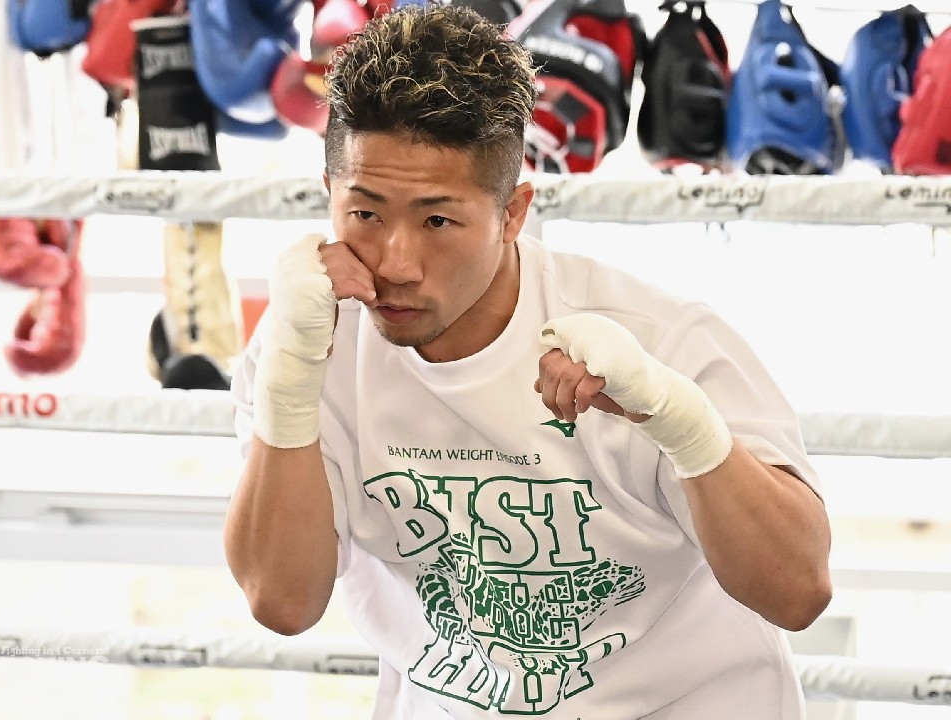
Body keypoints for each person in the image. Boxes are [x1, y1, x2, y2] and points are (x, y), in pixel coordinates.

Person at [226, 4, 833, 718]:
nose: (396, 263)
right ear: (330, 193)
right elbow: (282, 601)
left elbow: (798, 592)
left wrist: (679, 421)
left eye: (438, 220)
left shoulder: (656, 339)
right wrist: (290, 376)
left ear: (513, 214)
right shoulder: (307, 345)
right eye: (366, 214)